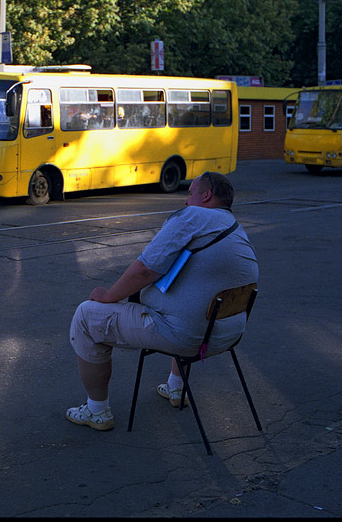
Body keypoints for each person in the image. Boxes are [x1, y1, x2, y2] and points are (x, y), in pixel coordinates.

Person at [66, 172, 259, 430]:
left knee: (86, 316)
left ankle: (96, 411)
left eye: (190, 193)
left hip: (190, 337)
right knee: (183, 298)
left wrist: (110, 296)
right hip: (227, 333)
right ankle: (176, 388)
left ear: (206, 195)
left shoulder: (194, 216)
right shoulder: (234, 227)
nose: (186, 201)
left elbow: (145, 270)